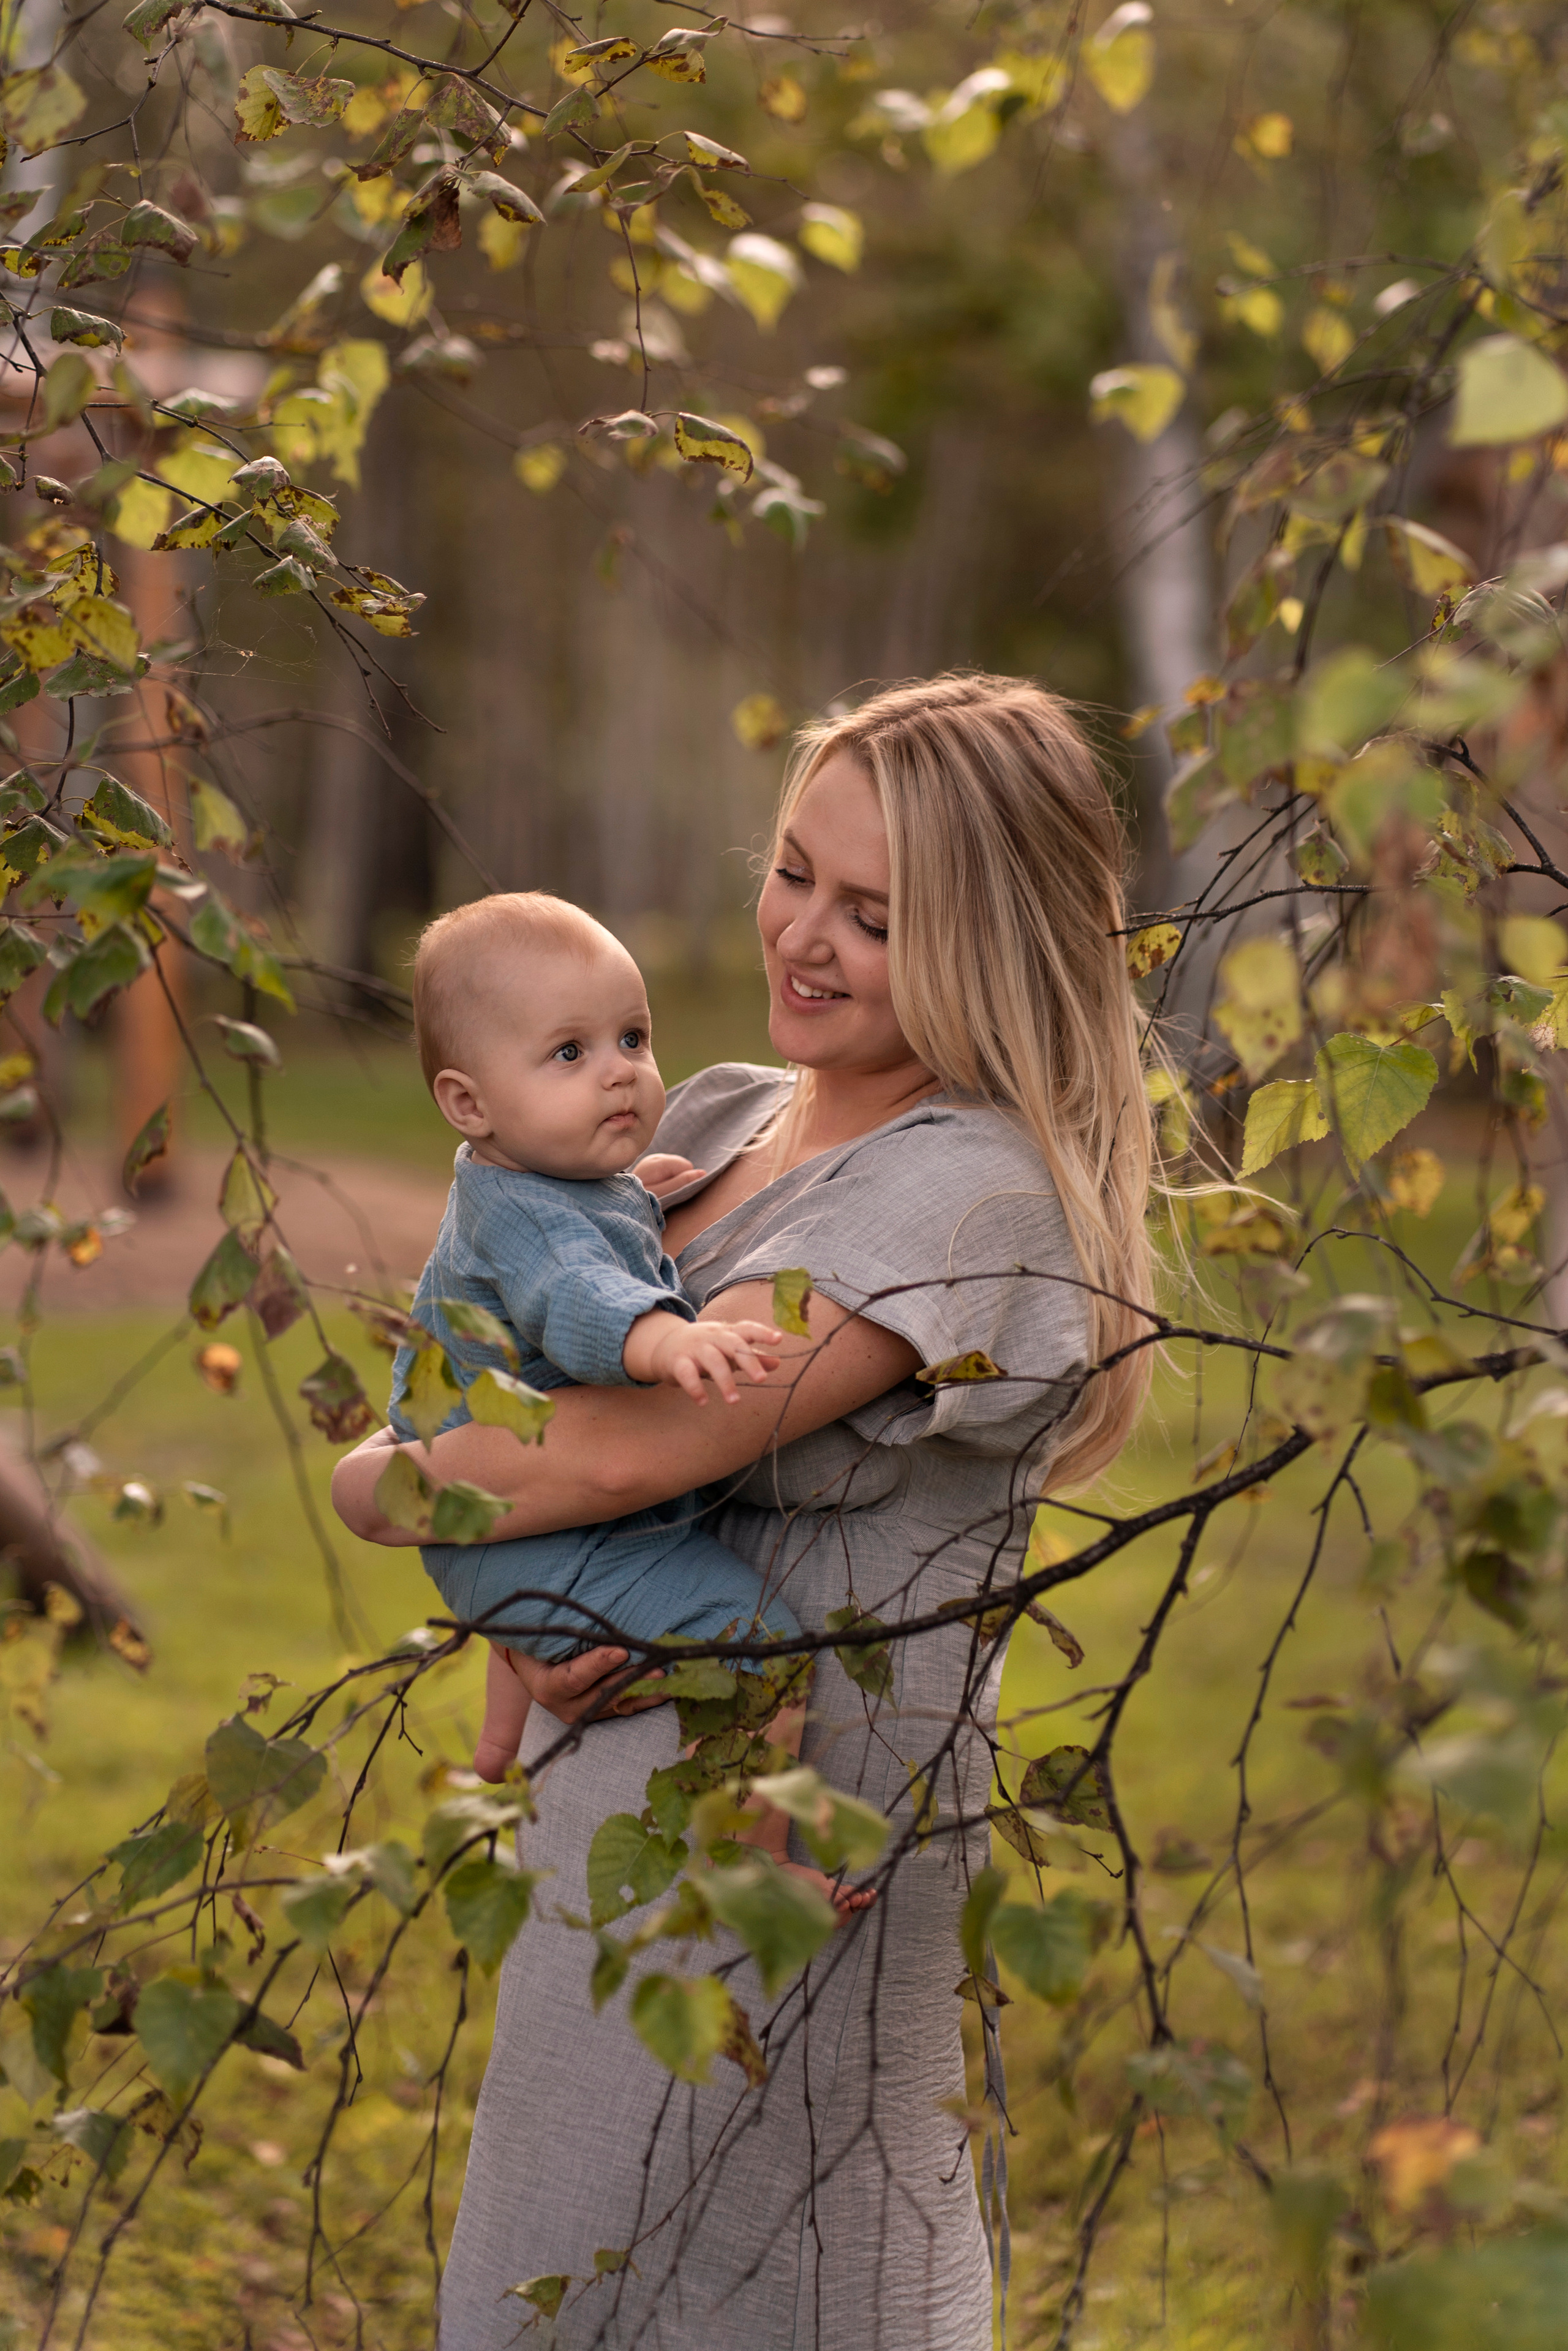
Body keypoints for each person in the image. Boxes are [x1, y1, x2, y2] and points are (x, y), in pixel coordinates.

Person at [333, 673, 1155, 2350]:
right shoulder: (699, 1121)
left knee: (789, 2274)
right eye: (795, 873)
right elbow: (516, 1329)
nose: (806, 935)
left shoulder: (971, 1189)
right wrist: (520, 1602)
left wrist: (383, 1478)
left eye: (877, 911)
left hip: (811, 1835)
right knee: (570, 2258)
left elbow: (626, 1456)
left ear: (993, 937)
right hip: (625, 1821)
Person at [387, 891, 864, 1912]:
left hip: (481, 1518)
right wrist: (669, 1338)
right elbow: (578, 1296)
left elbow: (577, 1234)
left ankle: (496, 1750)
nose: (619, 1070)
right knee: (761, 1641)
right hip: (539, 1537)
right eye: (569, 1052)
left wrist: (633, 1192)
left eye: (633, 1037)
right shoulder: (540, 1224)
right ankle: (757, 1855)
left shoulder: (535, 1177)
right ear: (469, 1104)